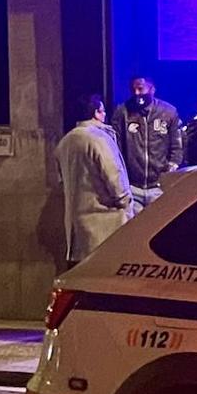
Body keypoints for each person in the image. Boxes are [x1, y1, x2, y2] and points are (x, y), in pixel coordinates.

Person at [55, 95, 133, 269]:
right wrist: (125, 202)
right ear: (97, 113)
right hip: (105, 227)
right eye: (103, 111)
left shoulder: (64, 143)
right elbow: (114, 176)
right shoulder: (99, 139)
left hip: (77, 229)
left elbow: (60, 181)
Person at [111, 77, 183, 210]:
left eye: (140, 89)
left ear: (152, 89)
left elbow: (177, 147)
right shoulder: (123, 112)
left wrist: (169, 171)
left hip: (159, 187)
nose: (137, 93)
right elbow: (116, 148)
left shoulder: (168, 112)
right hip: (132, 188)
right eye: (134, 90)